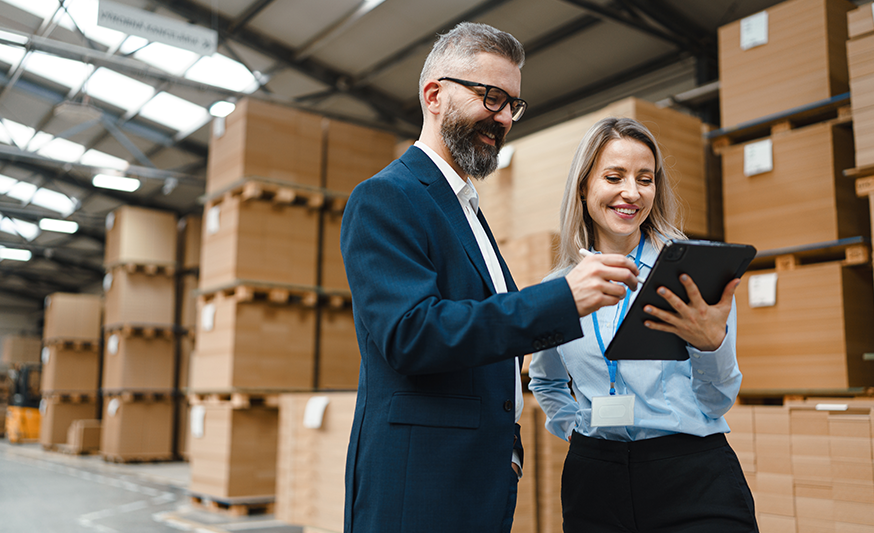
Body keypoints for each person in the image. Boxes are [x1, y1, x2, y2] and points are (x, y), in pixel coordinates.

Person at [339, 23, 642, 533]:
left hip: (475, 479)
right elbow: (411, 334)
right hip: (420, 488)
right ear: (434, 95)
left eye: (513, 106)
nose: (503, 118)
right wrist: (561, 299)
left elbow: (492, 341)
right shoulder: (386, 197)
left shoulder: (465, 208)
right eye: (491, 97)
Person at [528, 117, 759, 533]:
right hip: (594, 481)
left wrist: (711, 346)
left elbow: (717, 401)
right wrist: (579, 428)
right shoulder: (557, 289)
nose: (631, 193)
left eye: (645, 179)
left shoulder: (694, 272)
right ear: (584, 187)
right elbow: (545, 382)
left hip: (691, 472)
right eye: (614, 177)